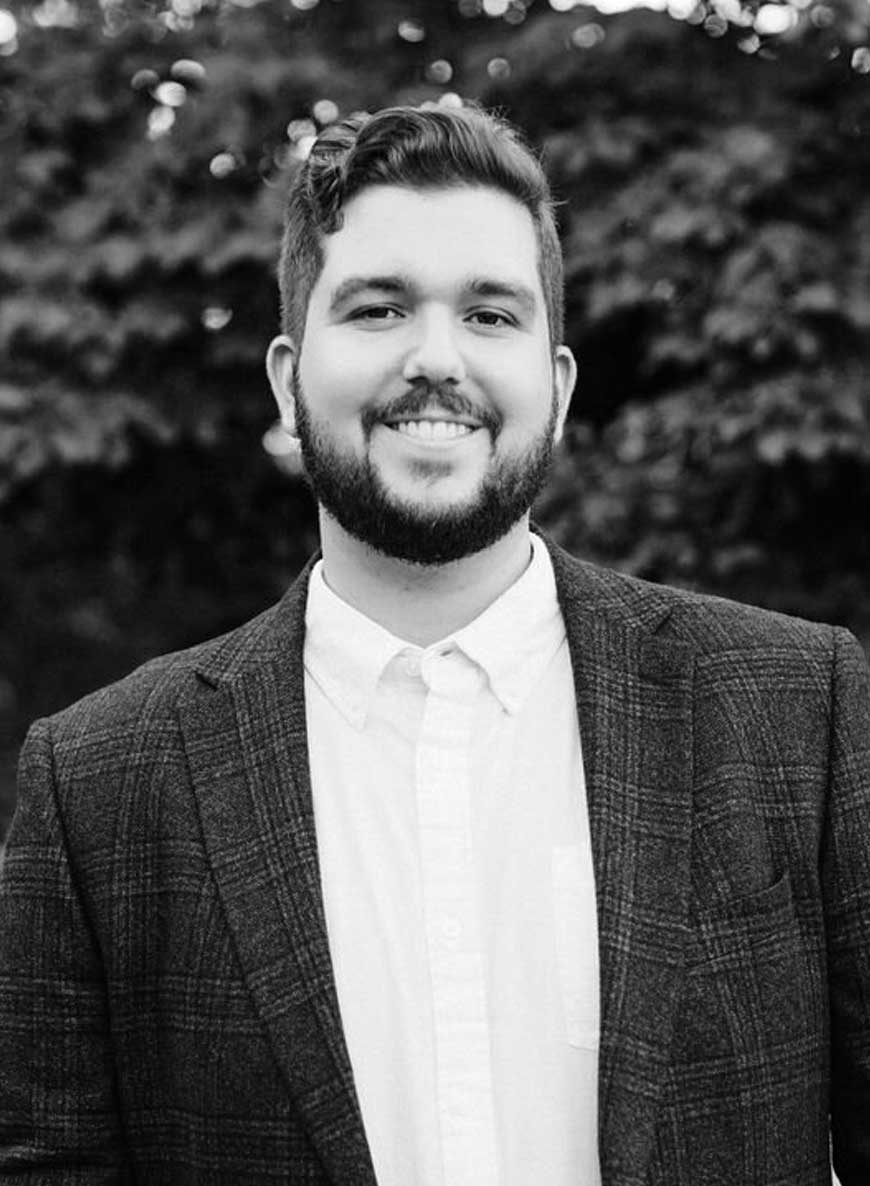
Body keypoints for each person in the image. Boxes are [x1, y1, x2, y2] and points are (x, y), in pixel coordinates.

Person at [0, 103, 868, 1186]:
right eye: (378, 307)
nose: (436, 358)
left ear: (554, 387)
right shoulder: (99, 783)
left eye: (491, 314)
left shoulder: (803, 711)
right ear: (285, 378)